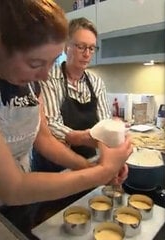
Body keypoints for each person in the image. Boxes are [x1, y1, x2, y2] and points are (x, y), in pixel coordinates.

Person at [0, 0, 132, 213]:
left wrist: (90, 167)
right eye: (35, 64)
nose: (44, 76)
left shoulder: (31, 81)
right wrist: (103, 171)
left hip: (22, 198)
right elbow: (12, 188)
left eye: (52, 62)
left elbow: (44, 140)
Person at [31, 17, 112, 172]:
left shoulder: (96, 82)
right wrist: (81, 137)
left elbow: (104, 123)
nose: (87, 54)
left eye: (92, 48)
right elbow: (51, 124)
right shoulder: (48, 77)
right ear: (66, 47)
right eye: (81, 47)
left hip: (88, 161)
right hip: (54, 166)